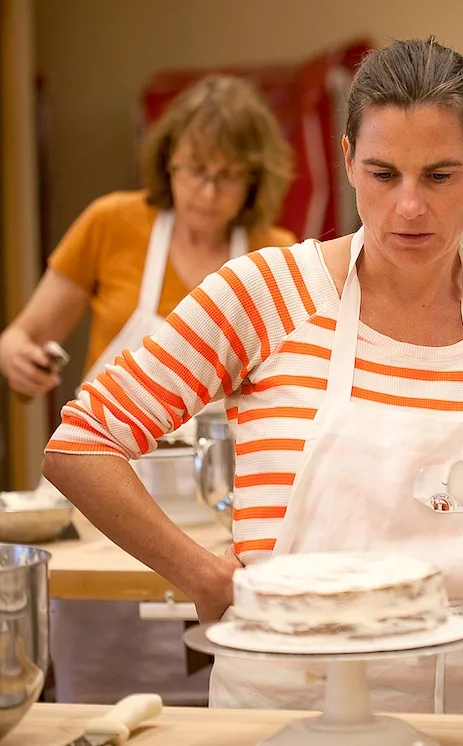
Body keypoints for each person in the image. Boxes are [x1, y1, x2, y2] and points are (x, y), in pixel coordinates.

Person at [41, 37, 463, 715]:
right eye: (384, 175)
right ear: (348, 160)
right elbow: (81, 444)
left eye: (439, 176)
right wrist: (198, 573)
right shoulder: (266, 294)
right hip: (277, 708)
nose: (409, 208)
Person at [1, 74, 296, 705]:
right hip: (109, 515)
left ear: (255, 179)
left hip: (228, 524)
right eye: (194, 171)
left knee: (226, 698)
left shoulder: (278, 257)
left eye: (227, 175)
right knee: (103, 699)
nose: (208, 193)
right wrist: (18, 357)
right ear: (167, 162)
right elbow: (21, 336)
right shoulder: (112, 224)